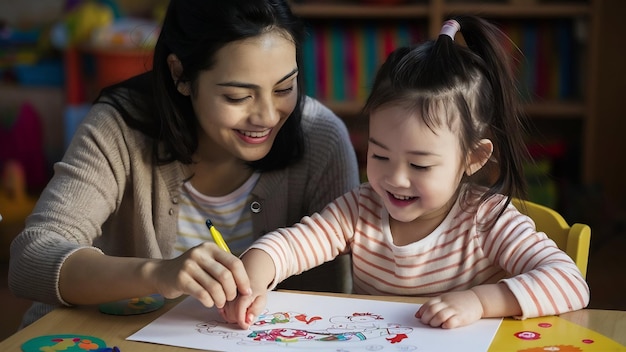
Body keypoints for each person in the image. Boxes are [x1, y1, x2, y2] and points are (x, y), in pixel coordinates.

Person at [222, 15, 590, 330]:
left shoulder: (486, 219)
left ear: (474, 157)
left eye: (419, 165)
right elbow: (293, 244)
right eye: (380, 155)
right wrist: (254, 274)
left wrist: (479, 302)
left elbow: (570, 283)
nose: (395, 178)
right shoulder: (360, 208)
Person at [8, 0, 359, 328]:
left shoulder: (322, 139)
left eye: (284, 88)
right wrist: (158, 274)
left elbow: (332, 299)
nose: (267, 116)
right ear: (180, 74)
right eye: (237, 96)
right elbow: (31, 259)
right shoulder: (119, 128)